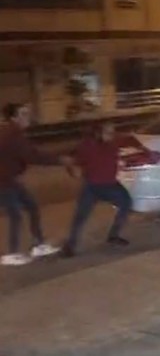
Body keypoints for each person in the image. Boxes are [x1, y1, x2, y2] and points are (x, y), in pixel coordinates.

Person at [61, 122, 152, 257]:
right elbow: (71, 161)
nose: (111, 135)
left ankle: (113, 235)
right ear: (98, 133)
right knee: (80, 217)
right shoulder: (87, 146)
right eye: (108, 132)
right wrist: (71, 169)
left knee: (126, 204)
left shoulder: (114, 142)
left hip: (111, 185)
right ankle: (70, 246)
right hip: (92, 187)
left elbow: (130, 139)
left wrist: (143, 149)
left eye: (112, 132)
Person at [0, 103, 73, 266]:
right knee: (15, 215)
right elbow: (33, 156)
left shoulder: (11, 132)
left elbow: (31, 154)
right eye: (24, 114)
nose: (28, 117)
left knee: (32, 207)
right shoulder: (12, 134)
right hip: (4, 181)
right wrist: (60, 160)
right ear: (13, 117)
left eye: (28, 113)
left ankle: (38, 245)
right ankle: (11, 254)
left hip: (9, 179)